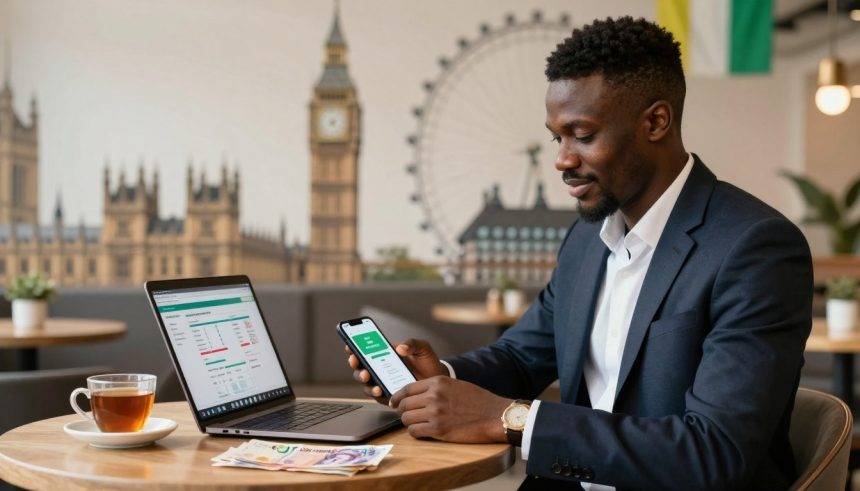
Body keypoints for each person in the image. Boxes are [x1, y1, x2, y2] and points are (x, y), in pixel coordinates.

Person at [346, 16, 812, 490]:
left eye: (583, 136)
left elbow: (715, 451)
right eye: (557, 137)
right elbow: (522, 356)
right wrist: (439, 377)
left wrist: (512, 419)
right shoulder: (588, 239)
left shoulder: (755, 248)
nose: (562, 160)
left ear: (656, 121)